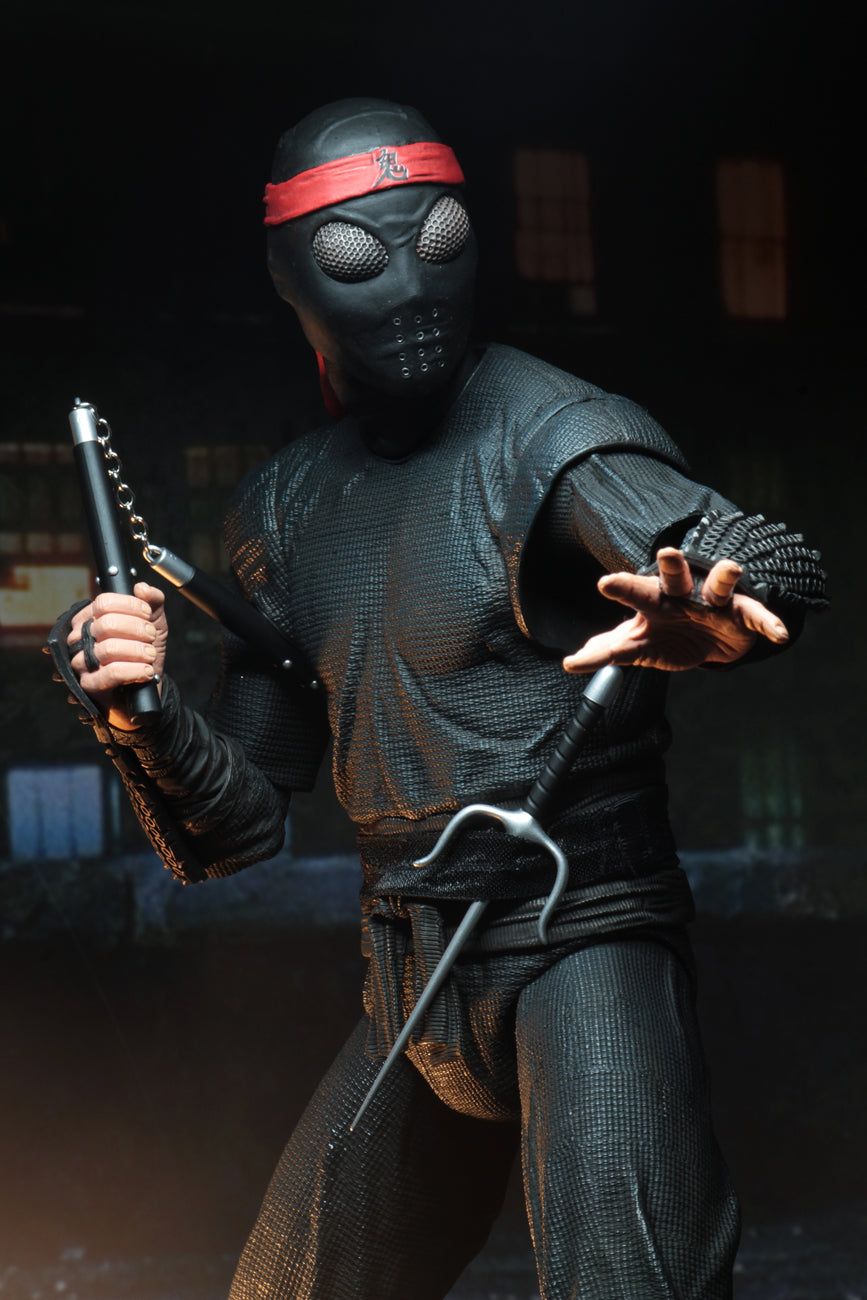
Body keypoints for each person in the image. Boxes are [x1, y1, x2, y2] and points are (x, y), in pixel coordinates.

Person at [56, 99, 827, 1299]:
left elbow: (763, 559)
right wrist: (136, 713)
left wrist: (722, 608)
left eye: (442, 239)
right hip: (414, 971)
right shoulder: (285, 512)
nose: (414, 286)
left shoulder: (555, 436)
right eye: (358, 255)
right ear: (289, 277)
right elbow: (236, 825)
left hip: (584, 941)